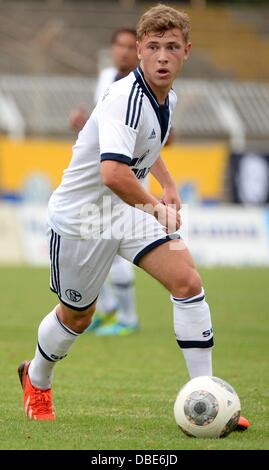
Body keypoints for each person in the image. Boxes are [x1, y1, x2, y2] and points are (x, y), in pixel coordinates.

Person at [17, 4, 249, 430]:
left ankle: (207, 396)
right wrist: (157, 207)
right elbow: (112, 172)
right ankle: (36, 378)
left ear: (187, 52)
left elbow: (148, 146)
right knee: (77, 317)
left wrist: (170, 186)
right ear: (140, 49)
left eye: (172, 47)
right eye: (155, 46)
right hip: (83, 218)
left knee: (187, 281)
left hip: (125, 209)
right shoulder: (126, 97)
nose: (163, 56)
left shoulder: (167, 96)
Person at [70, 28, 140, 336]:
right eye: (119, 45)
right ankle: (110, 310)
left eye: (130, 46)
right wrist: (83, 124)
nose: (123, 52)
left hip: (125, 178)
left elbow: (161, 135)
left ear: (138, 51)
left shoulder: (143, 85)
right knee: (88, 245)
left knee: (108, 247)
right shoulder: (107, 77)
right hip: (99, 178)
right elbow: (104, 129)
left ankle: (127, 317)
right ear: (112, 49)